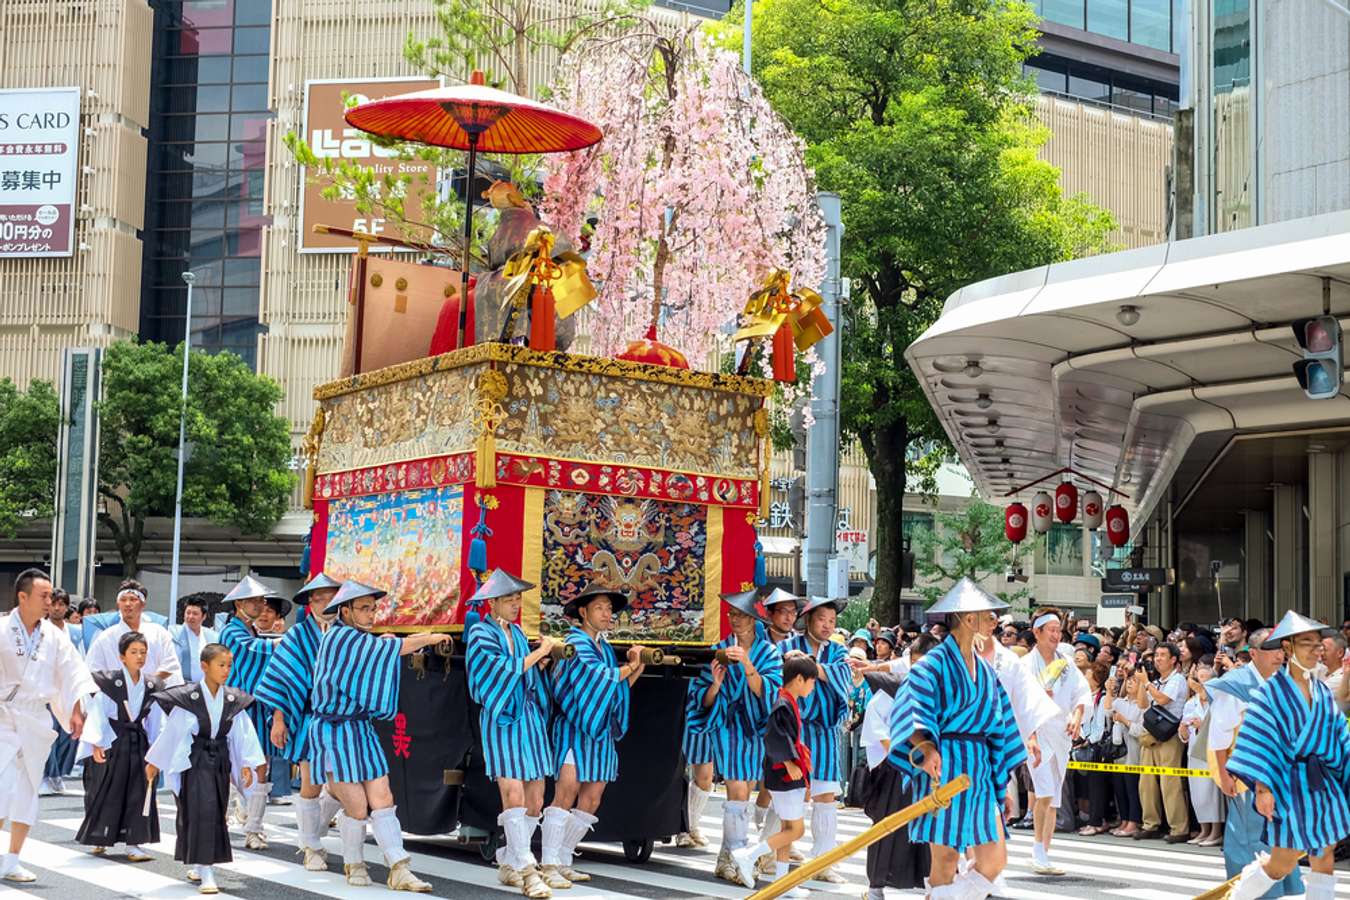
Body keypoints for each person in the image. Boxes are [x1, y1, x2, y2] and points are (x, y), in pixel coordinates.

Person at [889, 578, 1025, 900]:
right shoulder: (933, 664)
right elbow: (910, 708)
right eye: (988, 615)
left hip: (978, 769)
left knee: (994, 859)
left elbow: (1000, 725)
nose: (994, 621)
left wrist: (1001, 785)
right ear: (968, 618)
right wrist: (924, 749)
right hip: (944, 764)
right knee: (946, 860)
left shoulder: (986, 670)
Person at [312, 580, 445, 892]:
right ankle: (352, 861)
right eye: (364, 608)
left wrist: (383, 642)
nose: (372, 614)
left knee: (383, 795)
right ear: (345, 610)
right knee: (357, 805)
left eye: (373, 608)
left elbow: (376, 652)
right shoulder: (341, 637)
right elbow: (389, 649)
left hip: (359, 726)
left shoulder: (356, 637)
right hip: (334, 728)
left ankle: (399, 866)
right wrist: (430, 637)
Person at [1224, 612, 1350, 900]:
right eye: (1308, 643)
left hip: (1323, 783)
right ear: (1289, 647)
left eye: (1319, 644)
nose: (1317, 649)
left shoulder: (1320, 690)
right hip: (1288, 783)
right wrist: (1262, 788)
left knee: (1325, 855)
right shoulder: (1269, 692)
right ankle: (1239, 896)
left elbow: (1338, 734)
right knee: (1282, 861)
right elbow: (1259, 741)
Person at [539, 582, 647, 889]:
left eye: (609, 608)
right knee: (566, 792)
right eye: (599, 607)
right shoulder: (576, 643)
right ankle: (548, 863)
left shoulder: (603, 647)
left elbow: (617, 687)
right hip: (574, 727)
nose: (606, 613)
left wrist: (634, 668)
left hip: (598, 730)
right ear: (583, 612)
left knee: (593, 797)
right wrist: (629, 666)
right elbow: (598, 677)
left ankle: (563, 856)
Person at [0, 568, 101, 883]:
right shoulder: (2, 628)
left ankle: (13, 858)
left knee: (28, 790)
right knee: (2, 787)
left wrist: (74, 707)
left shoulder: (55, 636)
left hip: (35, 718)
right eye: (43, 596)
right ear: (23, 596)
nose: (49, 601)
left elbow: (72, 672)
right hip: (3, 716)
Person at [464, 570, 557, 899]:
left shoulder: (517, 633)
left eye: (517, 598)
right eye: (509, 599)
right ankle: (528, 869)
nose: (516, 604)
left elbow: (523, 670)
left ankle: (510, 860)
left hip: (528, 718)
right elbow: (497, 671)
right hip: (502, 717)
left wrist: (538, 664)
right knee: (512, 792)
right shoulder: (479, 632)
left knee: (536, 797)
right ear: (492, 603)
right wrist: (538, 654)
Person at [145, 642, 266, 894]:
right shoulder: (189, 698)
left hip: (220, 760)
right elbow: (172, 733)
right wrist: (155, 762)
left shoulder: (232, 698)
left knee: (216, 810)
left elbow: (242, 734)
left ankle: (200, 864)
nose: (226, 670)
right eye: (221, 665)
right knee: (203, 811)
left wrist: (246, 763)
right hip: (195, 761)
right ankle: (207, 869)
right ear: (204, 666)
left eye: (229, 665)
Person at [685, 588, 783, 885]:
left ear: (754, 620)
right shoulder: (719, 648)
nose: (735, 619)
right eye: (732, 614)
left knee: (744, 792)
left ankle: (725, 858)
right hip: (726, 724)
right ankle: (741, 860)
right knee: (737, 790)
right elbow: (700, 695)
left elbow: (771, 692)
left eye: (740, 615)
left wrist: (747, 664)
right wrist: (715, 685)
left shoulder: (769, 653)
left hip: (755, 728)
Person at [253, 573, 345, 871]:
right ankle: (310, 846)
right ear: (309, 603)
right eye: (317, 598)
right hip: (307, 717)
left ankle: (313, 831)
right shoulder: (297, 636)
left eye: (329, 597)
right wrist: (278, 720)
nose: (323, 603)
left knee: (341, 785)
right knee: (311, 783)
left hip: (343, 720)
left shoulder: (348, 633)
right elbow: (279, 679)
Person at [1207, 625, 1303, 897]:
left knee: (1279, 838)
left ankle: (1276, 890)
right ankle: (1250, 893)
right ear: (1253, 653)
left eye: (1282, 651)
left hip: (1279, 774)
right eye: (1272, 650)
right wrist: (1225, 777)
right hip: (1246, 776)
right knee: (1248, 840)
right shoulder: (1236, 684)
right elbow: (1219, 736)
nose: (1279, 656)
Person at [777, 595, 857, 884]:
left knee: (825, 796)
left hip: (824, 732)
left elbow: (843, 677)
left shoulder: (837, 650)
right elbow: (780, 679)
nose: (827, 625)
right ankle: (772, 856)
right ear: (808, 619)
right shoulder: (785, 646)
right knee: (788, 797)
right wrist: (812, 669)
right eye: (822, 619)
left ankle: (824, 860)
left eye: (832, 621)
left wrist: (807, 666)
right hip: (792, 729)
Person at [730, 651, 818, 897]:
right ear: (799, 679)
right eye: (812, 681)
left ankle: (782, 883)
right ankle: (749, 855)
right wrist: (790, 761)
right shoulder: (784, 704)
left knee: (787, 828)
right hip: (785, 775)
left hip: (783, 774)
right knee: (796, 830)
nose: (813, 686)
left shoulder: (787, 701)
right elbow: (775, 736)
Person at [857, 634, 936, 899]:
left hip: (927, 768)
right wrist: (911, 755)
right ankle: (876, 886)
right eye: (916, 665)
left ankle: (931, 883)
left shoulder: (937, 694)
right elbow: (881, 733)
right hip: (894, 768)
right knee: (887, 825)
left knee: (927, 827)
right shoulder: (890, 690)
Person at [75, 630, 165, 861]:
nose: (139, 657)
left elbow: (156, 721)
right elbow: (98, 713)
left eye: (143, 652)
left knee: (139, 790)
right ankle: (99, 836)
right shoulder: (110, 683)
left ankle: (133, 842)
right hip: (113, 742)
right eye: (134, 652)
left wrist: (158, 751)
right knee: (107, 790)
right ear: (122, 656)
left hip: (139, 743)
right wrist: (96, 743)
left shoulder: (152, 684)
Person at [1015, 606, 1090, 875]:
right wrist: (1031, 736)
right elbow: (1020, 705)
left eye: (1059, 630)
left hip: (1060, 735)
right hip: (1037, 736)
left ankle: (1044, 853)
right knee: (1045, 793)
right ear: (1037, 632)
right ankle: (1037, 850)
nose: (1057, 635)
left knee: (1053, 798)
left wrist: (1077, 716)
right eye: (1052, 630)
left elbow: (1082, 694)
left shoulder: (1067, 665)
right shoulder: (1024, 666)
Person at [217, 575, 282, 850]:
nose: (261, 604)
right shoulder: (233, 631)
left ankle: (254, 827)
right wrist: (283, 642)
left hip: (254, 706)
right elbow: (251, 651)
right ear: (240, 603)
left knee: (260, 765)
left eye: (261, 600)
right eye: (256, 600)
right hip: (237, 708)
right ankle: (231, 818)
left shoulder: (249, 629)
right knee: (231, 766)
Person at [1134, 641, 1190, 844]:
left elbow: (1164, 700)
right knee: (1146, 782)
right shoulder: (1156, 681)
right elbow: (1142, 704)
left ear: (1173, 660)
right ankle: (1150, 824)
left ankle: (1179, 828)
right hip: (1151, 733)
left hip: (1169, 735)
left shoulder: (1177, 680)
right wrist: (1142, 682)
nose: (1157, 659)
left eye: (1162, 655)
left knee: (1170, 783)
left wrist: (1147, 683)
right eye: (1155, 655)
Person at [85, 580, 183, 688]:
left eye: (133, 599)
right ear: (118, 604)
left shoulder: (159, 633)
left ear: (143, 604)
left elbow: (171, 666)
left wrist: (145, 684)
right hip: (117, 696)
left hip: (152, 696)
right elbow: (93, 670)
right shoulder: (105, 637)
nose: (127, 604)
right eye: (123, 600)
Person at [40, 588, 80, 796]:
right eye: (53, 603)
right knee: (49, 732)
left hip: (69, 687)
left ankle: (58, 773)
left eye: (61, 604)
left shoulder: (75, 632)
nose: (57, 608)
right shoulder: (41, 629)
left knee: (68, 734)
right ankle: (49, 775)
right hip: (46, 688)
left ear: (66, 607)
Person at [1179, 663, 1223, 846]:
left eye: (1205, 677)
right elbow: (1184, 732)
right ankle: (1204, 830)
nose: (1201, 680)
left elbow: (1221, 726)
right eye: (1199, 676)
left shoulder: (1218, 702)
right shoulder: (1191, 702)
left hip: (1211, 751)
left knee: (1212, 793)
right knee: (1197, 793)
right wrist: (1183, 730)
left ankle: (1216, 832)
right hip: (1194, 751)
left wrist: (1202, 724)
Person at [171, 596, 218, 685]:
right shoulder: (175, 634)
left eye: (195, 614)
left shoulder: (212, 636)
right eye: (188, 613)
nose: (190, 616)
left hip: (205, 686)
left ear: (203, 616)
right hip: (182, 687)